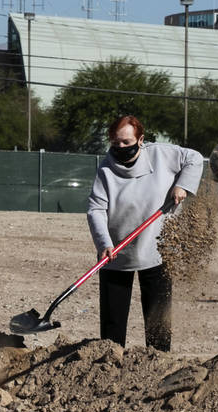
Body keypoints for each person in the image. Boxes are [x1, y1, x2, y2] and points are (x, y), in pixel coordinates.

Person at [86, 114, 202, 351]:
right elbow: (96, 209)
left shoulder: (161, 154)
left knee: (157, 319)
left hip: (157, 247)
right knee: (112, 323)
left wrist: (183, 185)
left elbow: (195, 158)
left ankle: (157, 365)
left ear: (140, 139)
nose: (120, 148)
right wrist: (103, 243)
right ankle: (109, 364)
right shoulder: (106, 169)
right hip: (116, 251)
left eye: (126, 142)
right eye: (116, 142)